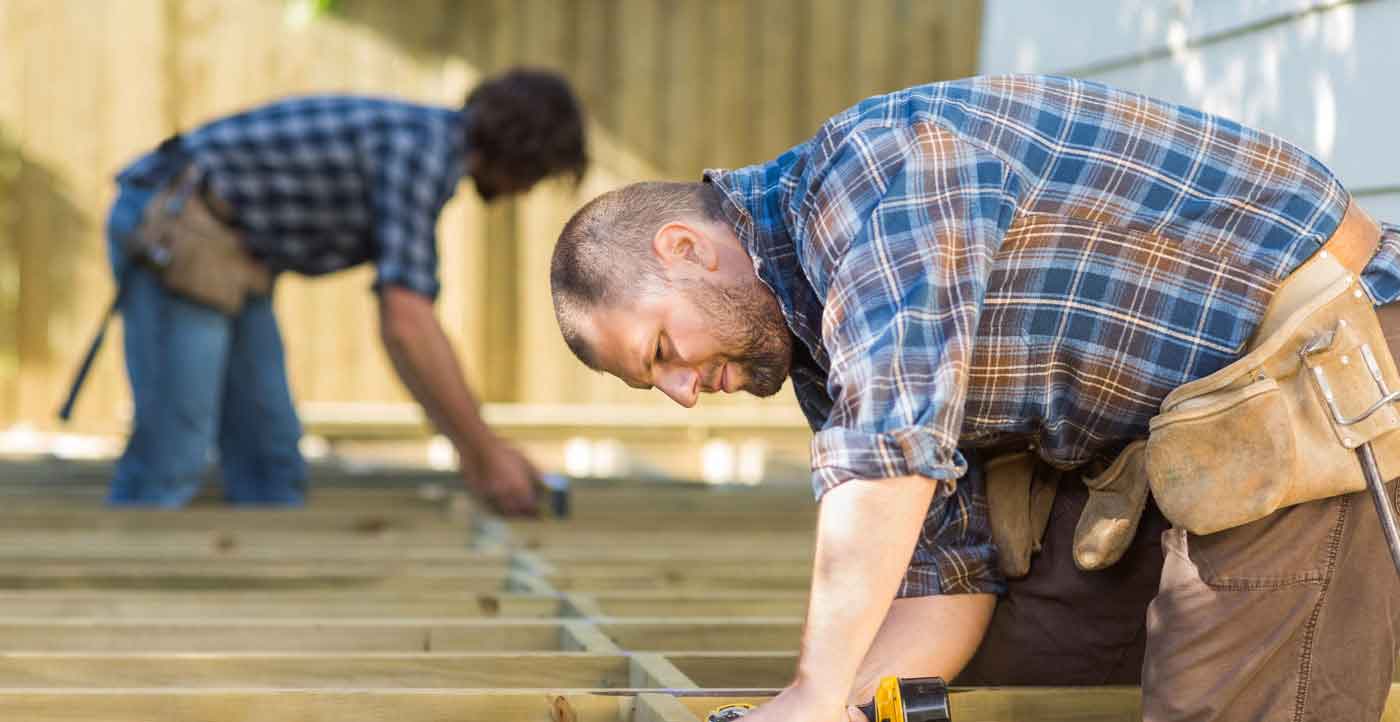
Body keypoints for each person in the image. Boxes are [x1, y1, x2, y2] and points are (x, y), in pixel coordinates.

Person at [549, 74, 1400, 721]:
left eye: (661, 350)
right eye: (654, 383)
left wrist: (810, 693)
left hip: (1323, 371)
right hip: (1202, 436)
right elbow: (942, 576)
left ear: (685, 248)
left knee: (1213, 695)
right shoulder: (820, 344)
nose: (683, 395)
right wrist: (835, 706)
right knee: (1014, 652)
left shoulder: (874, 175)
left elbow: (891, 444)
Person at [103, 68, 586, 511]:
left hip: (234, 249)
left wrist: (480, 451)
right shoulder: (421, 151)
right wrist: (484, 454)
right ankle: (119, 589)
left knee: (270, 467)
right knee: (174, 453)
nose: (526, 191)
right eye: (539, 176)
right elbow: (406, 324)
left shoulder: (428, 145)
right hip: (177, 223)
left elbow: (408, 331)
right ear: (524, 152)